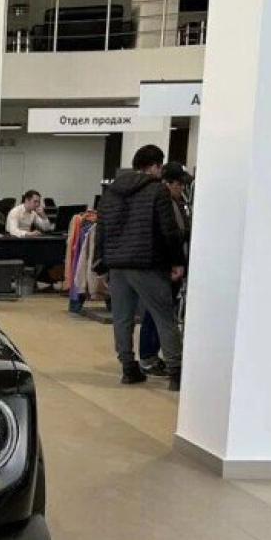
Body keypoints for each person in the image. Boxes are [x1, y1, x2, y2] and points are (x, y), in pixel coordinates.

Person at [98, 145, 186, 390]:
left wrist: (100, 264)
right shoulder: (158, 190)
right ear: (156, 166)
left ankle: (128, 368)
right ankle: (176, 372)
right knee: (163, 317)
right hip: (148, 263)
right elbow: (168, 230)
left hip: (117, 265)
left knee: (122, 319)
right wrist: (177, 261)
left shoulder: (111, 192)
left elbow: (101, 230)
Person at [137, 161, 195, 374]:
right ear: (169, 183)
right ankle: (149, 357)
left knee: (158, 313)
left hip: (166, 266)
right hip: (163, 267)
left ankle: (151, 356)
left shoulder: (175, 204)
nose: (183, 189)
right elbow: (169, 236)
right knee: (157, 314)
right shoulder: (164, 204)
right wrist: (176, 262)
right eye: (180, 184)